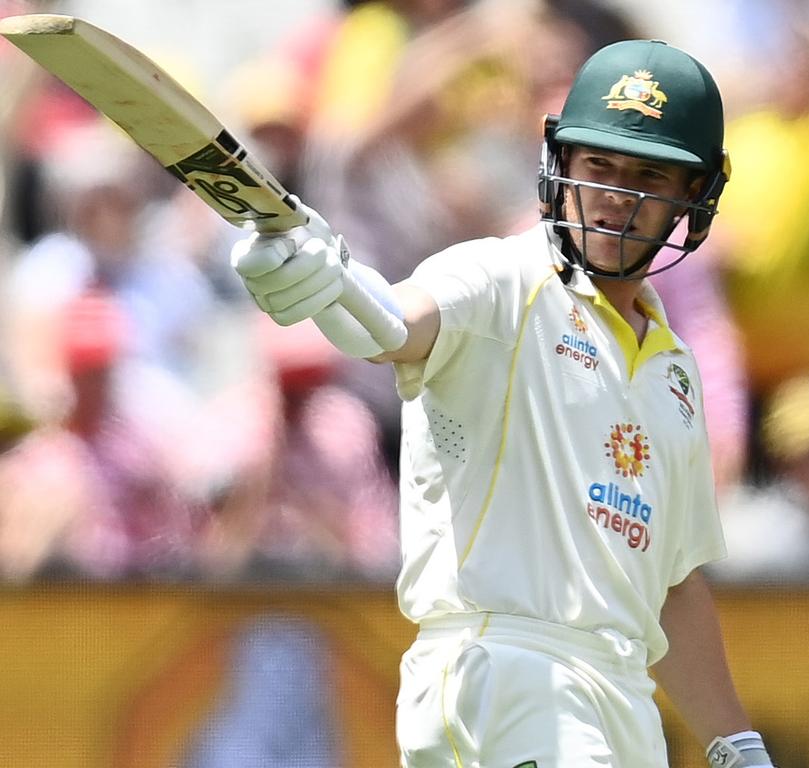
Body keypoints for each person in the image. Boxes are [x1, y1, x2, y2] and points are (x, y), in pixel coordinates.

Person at [233, 40, 775, 768]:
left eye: (649, 175)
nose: (617, 194)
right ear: (561, 167)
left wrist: (735, 743)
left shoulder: (674, 370)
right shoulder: (501, 278)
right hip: (503, 673)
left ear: (694, 195)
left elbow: (672, 584)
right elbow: (394, 323)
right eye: (600, 166)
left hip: (622, 698)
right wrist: (326, 286)